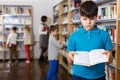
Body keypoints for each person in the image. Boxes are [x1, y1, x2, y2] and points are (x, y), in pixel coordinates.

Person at [67, 1, 113, 80]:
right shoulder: (74, 36)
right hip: (78, 76)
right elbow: (70, 62)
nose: (88, 22)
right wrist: (69, 56)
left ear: (96, 17)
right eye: (85, 19)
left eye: (92, 19)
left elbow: (109, 61)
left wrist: (109, 56)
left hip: (99, 76)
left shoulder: (104, 35)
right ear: (80, 18)